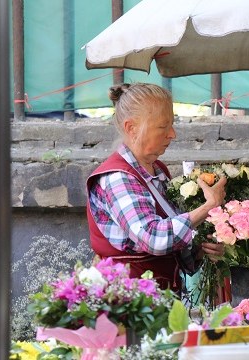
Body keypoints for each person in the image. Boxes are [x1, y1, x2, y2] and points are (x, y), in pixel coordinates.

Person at [86, 83, 226, 291]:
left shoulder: (157, 170)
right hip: (128, 301)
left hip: (158, 298)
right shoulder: (118, 177)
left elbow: (171, 247)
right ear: (131, 128)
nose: (172, 134)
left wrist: (200, 251)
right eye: (163, 127)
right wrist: (208, 207)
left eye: (172, 124)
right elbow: (152, 238)